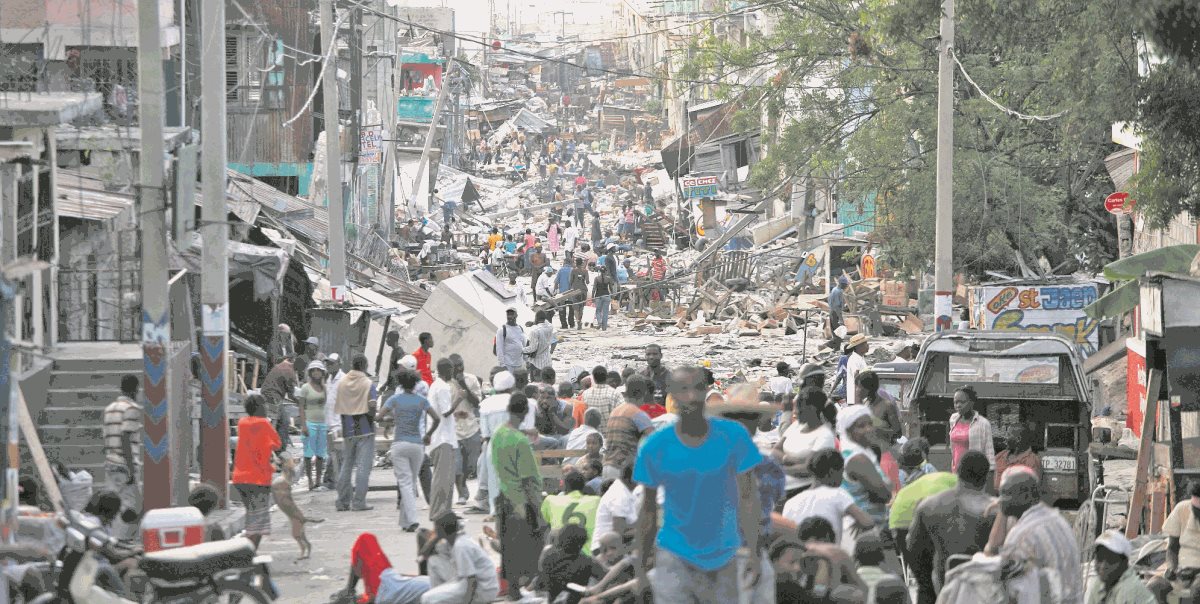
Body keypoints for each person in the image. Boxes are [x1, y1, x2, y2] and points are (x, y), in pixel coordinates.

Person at [633, 366, 763, 604]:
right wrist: (640, 569)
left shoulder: (733, 436)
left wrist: (755, 551)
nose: (691, 396)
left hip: (724, 555)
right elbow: (647, 510)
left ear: (707, 392)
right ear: (671, 395)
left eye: (698, 388)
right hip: (674, 552)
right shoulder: (655, 446)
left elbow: (748, 497)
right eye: (683, 389)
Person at [995, 466, 1082, 603]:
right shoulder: (1057, 519)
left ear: (1025, 496)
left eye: (1006, 494)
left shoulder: (1021, 535)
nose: (1000, 500)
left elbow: (1012, 592)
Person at [491, 393, 543, 600]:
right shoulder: (520, 441)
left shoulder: (499, 433)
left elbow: (510, 434)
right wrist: (538, 511)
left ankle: (513, 590)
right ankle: (528, 589)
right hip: (520, 502)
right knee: (529, 548)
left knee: (509, 548)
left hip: (503, 497)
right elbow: (528, 479)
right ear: (525, 412)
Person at [378, 369, 441, 532]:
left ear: (400, 383)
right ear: (415, 384)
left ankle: (412, 520)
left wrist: (391, 419)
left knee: (405, 483)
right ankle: (405, 522)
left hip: (400, 444)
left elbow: (379, 417)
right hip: (417, 445)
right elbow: (436, 418)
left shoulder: (395, 399)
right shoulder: (421, 400)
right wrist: (428, 434)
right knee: (410, 482)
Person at [781, 448, 875, 546]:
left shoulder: (790, 503)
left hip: (801, 553)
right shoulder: (837, 494)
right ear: (832, 472)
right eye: (841, 472)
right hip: (829, 553)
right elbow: (868, 522)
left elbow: (786, 537)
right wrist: (858, 522)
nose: (842, 477)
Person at [232, 394, 281, 548]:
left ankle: (248, 549)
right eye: (264, 405)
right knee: (259, 520)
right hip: (259, 478)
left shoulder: (242, 423)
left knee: (251, 516)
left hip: (240, 478)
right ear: (259, 407)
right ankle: (249, 552)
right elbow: (277, 443)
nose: (266, 408)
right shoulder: (264, 423)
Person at [420, 513, 499, 604]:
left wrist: (467, 602)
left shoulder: (461, 546)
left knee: (427, 598)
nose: (434, 531)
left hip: (482, 590)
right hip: (468, 582)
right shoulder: (452, 540)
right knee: (433, 561)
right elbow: (425, 554)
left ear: (442, 530)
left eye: (436, 528)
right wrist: (437, 537)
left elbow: (471, 580)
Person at [774, 389, 837, 500]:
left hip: (801, 492)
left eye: (796, 407)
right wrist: (791, 459)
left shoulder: (824, 435)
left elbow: (810, 469)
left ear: (811, 408)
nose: (794, 412)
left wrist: (780, 468)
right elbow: (775, 450)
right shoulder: (796, 426)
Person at [836, 406, 891, 529]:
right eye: (861, 426)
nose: (868, 429)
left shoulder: (863, 453)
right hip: (862, 528)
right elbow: (884, 494)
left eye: (870, 424)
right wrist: (885, 485)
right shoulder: (857, 459)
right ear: (848, 431)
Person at [335, 354, 378, 512]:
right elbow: (372, 405)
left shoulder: (342, 382)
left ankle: (342, 501)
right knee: (362, 467)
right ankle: (359, 502)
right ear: (365, 366)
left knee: (346, 465)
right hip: (365, 428)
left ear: (352, 365)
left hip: (347, 428)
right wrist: (373, 417)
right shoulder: (368, 383)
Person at [103, 374, 143, 542]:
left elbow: (107, 437)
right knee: (130, 506)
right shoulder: (131, 408)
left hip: (110, 462)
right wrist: (131, 469)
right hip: (124, 465)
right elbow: (125, 437)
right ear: (135, 390)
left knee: (114, 504)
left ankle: (114, 538)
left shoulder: (110, 408)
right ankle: (121, 541)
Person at [342, 533, 431, 604]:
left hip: (384, 584)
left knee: (365, 539)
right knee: (365, 541)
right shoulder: (434, 583)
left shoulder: (435, 589)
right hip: (388, 582)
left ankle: (349, 592)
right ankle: (350, 592)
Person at [1150, 479, 1200, 602]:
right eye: (1195, 509)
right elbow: (1172, 547)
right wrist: (1172, 567)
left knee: (1197, 589)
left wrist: (1195, 571)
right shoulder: (1182, 509)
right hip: (1181, 571)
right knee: (1154, 586)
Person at [601, 374, 654, 480]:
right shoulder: (638, 414)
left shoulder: (615, 412)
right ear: (643, 393)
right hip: (624, 471)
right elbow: (655, 441)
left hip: (607, 467)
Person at [425, 359, 458, 523]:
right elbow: (445, 412)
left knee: (446, 478)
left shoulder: (435, 385)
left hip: (442, 437)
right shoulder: (443, 387)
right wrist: (460, 399)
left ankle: (445, 512)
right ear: (448, 370)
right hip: (442, 438)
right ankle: (438, 512)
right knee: (442, 478)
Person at [540, 524, 607, 604]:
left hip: (552, 600)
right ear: (582, 543)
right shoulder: (587, 562)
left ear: (560, 539)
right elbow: (607, 576)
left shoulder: (549, 556)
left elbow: (542, 580)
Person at [449, 354, 482, 506]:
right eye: (456, 367)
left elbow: (477, 403)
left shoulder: (471, 379)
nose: (460, 369)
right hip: (453, 429)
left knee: (471, 465)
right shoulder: (445, 383)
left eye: (461, 365)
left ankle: (465, 482)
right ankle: (462, 493)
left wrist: (464, 384)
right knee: (457, 466)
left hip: (471, 427)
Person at [1089, 530, 1155, 604]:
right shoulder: (1097, 585)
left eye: (1111, 560)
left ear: (1124, 563)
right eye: (1100, 558)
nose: (1103, 566)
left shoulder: (1129, 589)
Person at [542, 470, 601, 552]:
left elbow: (544, 521)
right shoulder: (597, 500)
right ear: (584, 485)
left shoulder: (550, 500)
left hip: (559, 554)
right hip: (589, 553)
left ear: (565, 486)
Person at [297, 360, 330, 491]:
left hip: (323, 423)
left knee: (321, 454)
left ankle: (318, 480)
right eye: (313, 370)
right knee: (308, 453)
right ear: (310, 373)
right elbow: (301, 407)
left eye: (319, 370)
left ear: (322, 373)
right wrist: (303, 425)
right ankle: (310, 480)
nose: (316, 373)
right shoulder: (305, 387)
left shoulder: (324, 387)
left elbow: (328, 404)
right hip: (310, 422)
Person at [593, 465, 638, 554]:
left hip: (615, 548)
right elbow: (617, 533)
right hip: (606, 550)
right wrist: (641, 530)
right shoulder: (620, 496)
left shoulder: (624, 492)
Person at [949, 385, 995, 471]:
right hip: (956, 469)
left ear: (971, 402)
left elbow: (989, 451)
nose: (958, 405)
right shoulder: (953, 419)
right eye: (955, 402)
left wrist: (990, 472)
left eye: (962, 402)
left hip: (974, 471)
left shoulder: (983, 423)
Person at [260, 355, 298, 449]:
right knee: (284, 420)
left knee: (278, 420)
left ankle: (276, 445)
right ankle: (280, 449)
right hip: (272, 396)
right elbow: (291, 395)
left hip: (266, 394)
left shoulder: (281, 365)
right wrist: (300, 402)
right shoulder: (290, 371)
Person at [993, 425, 1040, 491]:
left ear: (1018, 439)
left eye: (1008, 435)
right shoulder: (1000, 456)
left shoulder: (1031, 460)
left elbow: (1031, 489)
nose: (1005, 438)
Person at [523, 310, 555, 379]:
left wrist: (521, 350)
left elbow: (532, 348)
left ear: (536, 318)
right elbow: (546, 322)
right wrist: (534, 323)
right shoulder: (550, 327)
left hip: (537, 364)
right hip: (548, 361)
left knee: (536, 384)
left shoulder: (534, 331)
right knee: (547, 383)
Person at [495, 308, 526, 375]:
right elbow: (499, 349)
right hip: (508, 365)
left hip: (519, 364)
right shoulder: (502, 330)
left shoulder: (520, 328)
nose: (509, 316)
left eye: (512, 314)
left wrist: (526, 360)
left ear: (516, 315)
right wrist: (502, 365)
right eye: (508, 314)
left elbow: (524, 345)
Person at [845, 333, 870, 407]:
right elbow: (857, 376)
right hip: (855, 400)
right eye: (865, 343)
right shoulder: (854, 359)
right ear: (859, 346)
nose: (868, 345)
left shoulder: (860, 358)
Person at [827, 277, 848, 350]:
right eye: (845, 285)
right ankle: (827, 345)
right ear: (841, 284)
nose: (846, 287)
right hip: (835, 313)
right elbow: (836, 306)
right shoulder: (837, 291)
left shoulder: (836, 290)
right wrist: (841, 319)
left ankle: (836, 349)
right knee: (838, 333)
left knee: (837, 333)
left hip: (833, 312)